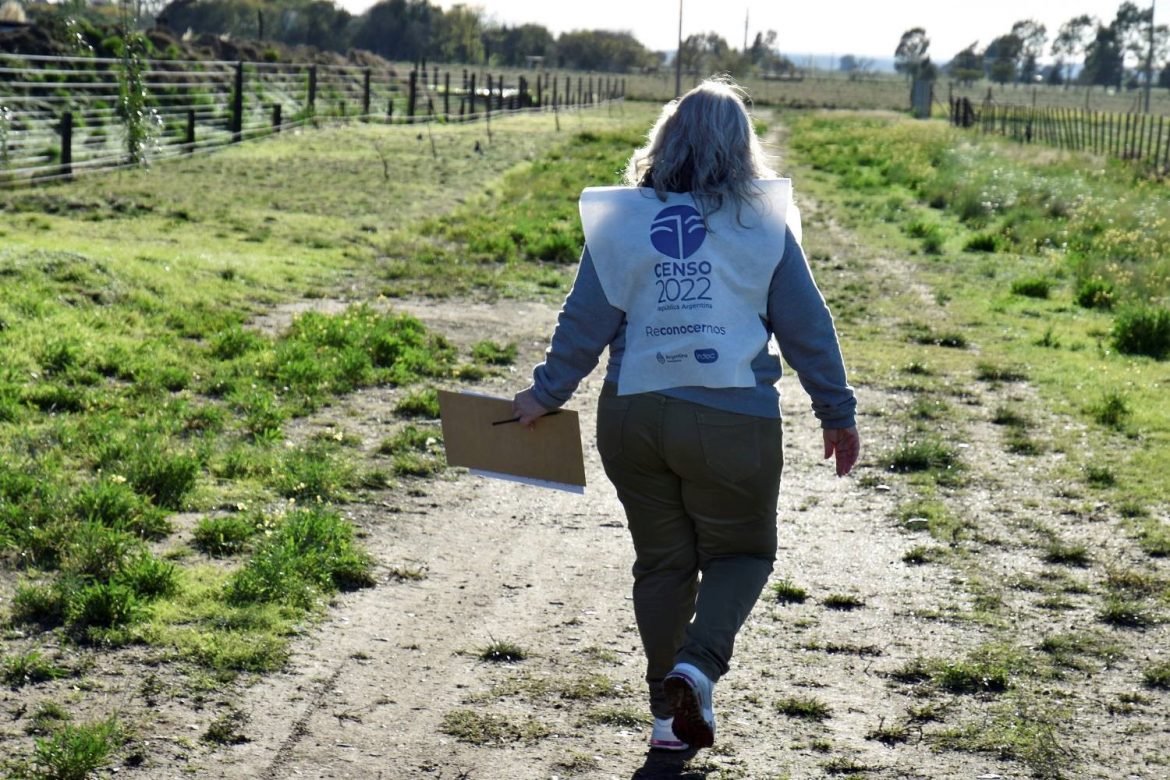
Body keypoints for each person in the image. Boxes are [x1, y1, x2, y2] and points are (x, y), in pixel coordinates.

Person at [511, 77, 859, 752]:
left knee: (663, 564)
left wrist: (546, 394)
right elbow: (806, 325)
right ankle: (696, 667)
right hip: (731, 419)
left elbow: (586, 318)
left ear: (665, 137)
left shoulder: (621, 220)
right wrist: (835, 410)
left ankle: (666, 720)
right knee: (745, 551)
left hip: (633, 417)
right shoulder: (762, 221)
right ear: (742, 146)